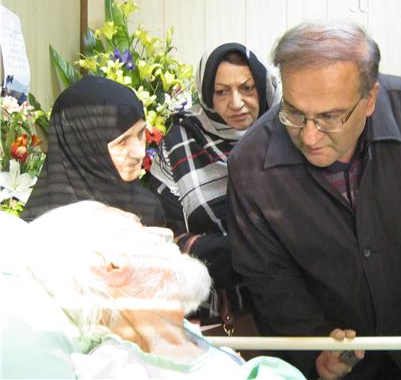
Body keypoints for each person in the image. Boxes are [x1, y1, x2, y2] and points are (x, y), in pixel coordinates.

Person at [227, 21, 401, 380]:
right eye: (294, 112)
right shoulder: (251, 162)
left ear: (370, 99)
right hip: (339, 366)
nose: (309, 136)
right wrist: (317, 345)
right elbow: (269, 278)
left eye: (330, 117)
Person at [11, 201, 306, 380]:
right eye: (140, 228)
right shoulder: (118, 370)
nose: (165, 233)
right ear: (110, 264)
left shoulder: (183, 343)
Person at [149, 42, 279, 323]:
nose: (236, 103)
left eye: (247, 88)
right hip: (218, 311)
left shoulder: (287, 135)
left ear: (262, 86)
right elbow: (163, 236)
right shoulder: (181, 142)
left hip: (294, 303)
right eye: (221, 92)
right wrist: (236, 252)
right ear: (207, 93)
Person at [21, 76, 164, 226]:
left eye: (140, 134)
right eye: (122, 143)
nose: (140, 153)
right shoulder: (48, 226)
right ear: (84, 148)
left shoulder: (147, 208)